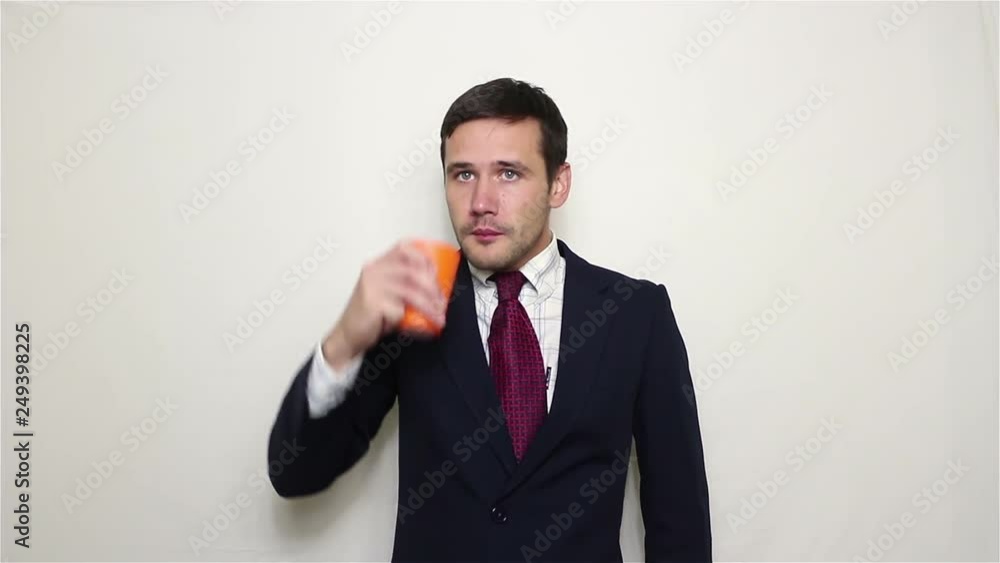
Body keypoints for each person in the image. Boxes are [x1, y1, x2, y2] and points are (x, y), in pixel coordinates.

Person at [267, 77, 712, 562]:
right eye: (462, 174)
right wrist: (342, 343)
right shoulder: (414, 302)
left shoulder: (634, 313)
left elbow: (679, 514)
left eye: (508, 174)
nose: (481, 201)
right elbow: (296, 474)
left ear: (558, 183)